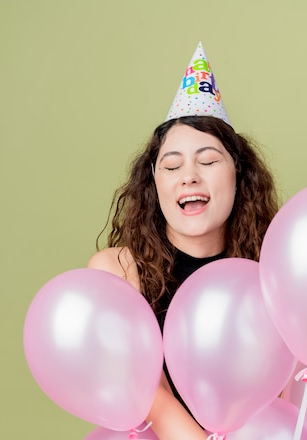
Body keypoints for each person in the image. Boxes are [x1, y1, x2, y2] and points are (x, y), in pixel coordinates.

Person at [87, 43, 280, 439]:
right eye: (172, 165)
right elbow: (148, 396)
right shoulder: (117, 271)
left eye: (208, 161)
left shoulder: (272, 275)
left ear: (239, 177)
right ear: (154, 182)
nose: (189, 175)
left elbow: (279, 401)